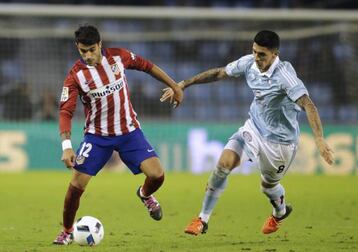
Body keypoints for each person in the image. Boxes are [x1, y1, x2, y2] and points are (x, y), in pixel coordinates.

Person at [161, 30, 334, 235]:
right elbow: (219, 73)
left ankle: (280, 211)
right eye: (254, 52)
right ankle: (202, 219)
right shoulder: (249, 63)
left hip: (281, 143)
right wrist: (182, 84)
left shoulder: (285, 76)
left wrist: (320, 139)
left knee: (268, 187)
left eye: (262, 54)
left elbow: (309, 104)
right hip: (253, 128)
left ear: (275, 54)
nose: (257, 58)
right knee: (223, 164)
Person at [53, 24, 183, 245]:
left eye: (92, 49)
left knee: (157, 175)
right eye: (83, 51)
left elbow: (146, 65)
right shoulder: (75, 76)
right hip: (97, 137)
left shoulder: (118, 57)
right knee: (75, 187)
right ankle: (67, 231)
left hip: (129, 131)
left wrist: (174, 86)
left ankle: (144, 194)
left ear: (100, 44)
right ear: (78, 48)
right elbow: (66, 110)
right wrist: (66, 145)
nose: (88, 55)